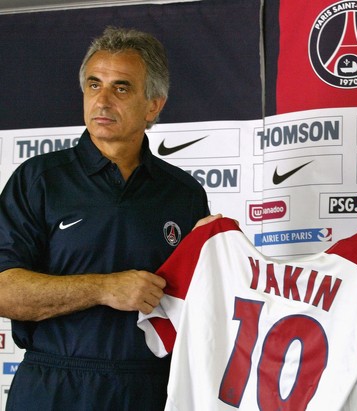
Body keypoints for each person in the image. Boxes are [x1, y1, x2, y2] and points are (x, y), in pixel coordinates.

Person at [0, 27, 213, 410]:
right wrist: (102, 288)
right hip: (53, 386)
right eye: (94, 85)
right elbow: (3, 291)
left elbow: (204, 305)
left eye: (121, 88)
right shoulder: (39, 180)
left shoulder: (184, 194)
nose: (102, 100)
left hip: (150, 389)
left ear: (153, 106)